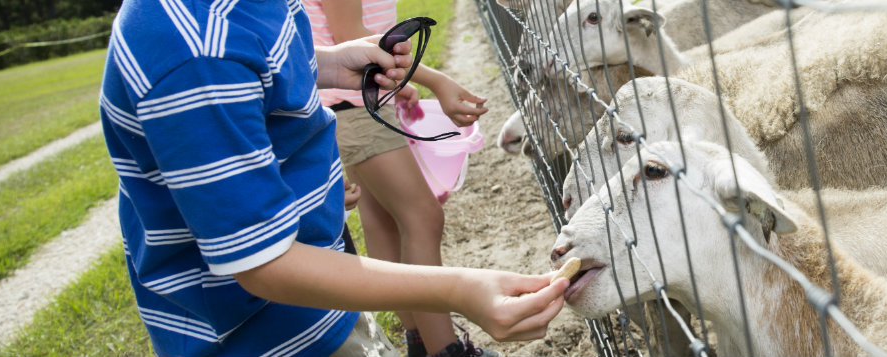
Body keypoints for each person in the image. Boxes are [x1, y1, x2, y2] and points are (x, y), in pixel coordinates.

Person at [98, 1, 567, 356]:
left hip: (315, 304)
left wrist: (327, 62)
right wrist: (458, 289)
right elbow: (264, 265)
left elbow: (259, 62)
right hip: (269, 335)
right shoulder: (196, 57)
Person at [301, 1, 492, 355]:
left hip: (357, 99)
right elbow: (350, 38)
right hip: (356, 107)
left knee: (383, 221)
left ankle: (419, 339)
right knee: (423, 216)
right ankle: (445, 350)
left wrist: (396, 84)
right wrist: (436, 79)